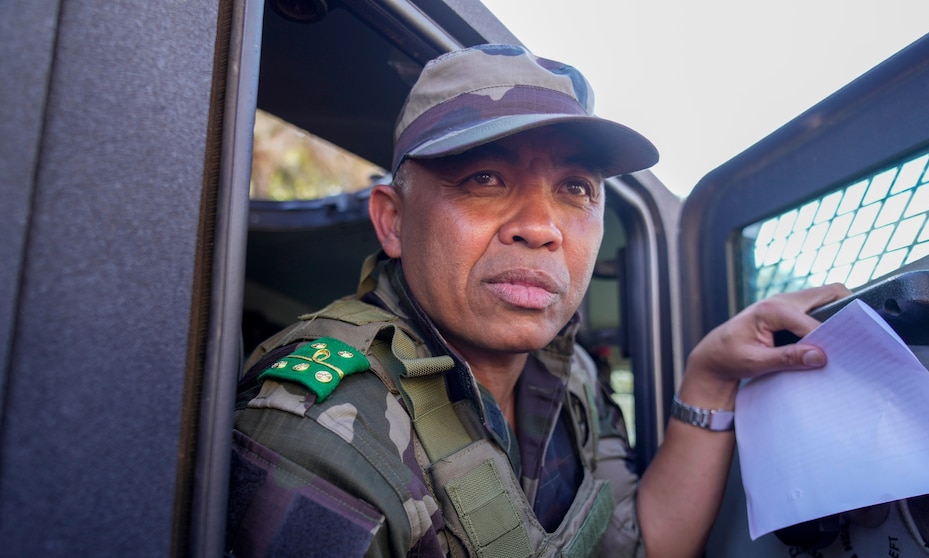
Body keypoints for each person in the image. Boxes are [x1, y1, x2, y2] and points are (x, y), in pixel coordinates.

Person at [226, 43, 849, 557]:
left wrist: (708, 378)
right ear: (393, 222)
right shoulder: (322, 433)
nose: (541, 226)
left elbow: (644, 544)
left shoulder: (565, 371)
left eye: (575, 188)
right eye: (484, 179)